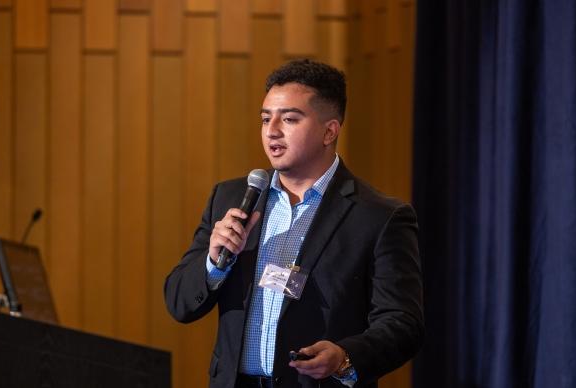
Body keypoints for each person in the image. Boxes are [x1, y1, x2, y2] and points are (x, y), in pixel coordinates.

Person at [164, 59, 423, 388]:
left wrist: (346, 356)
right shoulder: (230, 198)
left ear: (329, 131)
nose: (272, 130)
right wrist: (214, 263)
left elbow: (403, 323)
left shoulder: (379, 216)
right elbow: (179, 303)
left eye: (289, 119)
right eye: (265, 118)